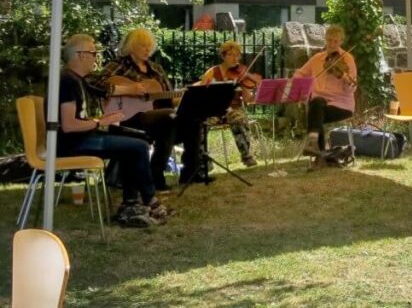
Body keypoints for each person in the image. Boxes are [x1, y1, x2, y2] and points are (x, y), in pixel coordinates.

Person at [55, 34, 170, 227]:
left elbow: (105, 92)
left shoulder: (77, 79)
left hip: (83, 136)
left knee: (136, 139)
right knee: (138, 147)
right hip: (73, 142)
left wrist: (103, 120)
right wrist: (100, 122)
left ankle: (131, 204)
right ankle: (150, 202)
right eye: (93, 53)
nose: (96, 58)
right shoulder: (67, 81)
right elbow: (69, 125)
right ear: (81, 55)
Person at [90, 28, 204, 187]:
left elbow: (169, 98)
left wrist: (187, 97)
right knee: (168, 117)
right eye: (143, 45)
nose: (147, 49)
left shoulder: (156, 69)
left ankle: (190, 173)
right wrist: (129, 90)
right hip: (126, 119)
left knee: (192, 118)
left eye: (149, 46)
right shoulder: (117, 66)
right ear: (131, 47)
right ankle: (155, 173)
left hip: (158, 118)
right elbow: (95, 84)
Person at [293, 24, 357, 157]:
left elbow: (352, 87)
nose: (332, 44)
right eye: (329, 40)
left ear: (341, 41)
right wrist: (298, 84)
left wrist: (343, 76)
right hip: (319, 104)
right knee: (316, 103)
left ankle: (316, 148)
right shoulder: (317, 59)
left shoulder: (347, 59)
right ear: (325, 39)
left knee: (315, 112)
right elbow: (300, 73)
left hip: (341, 105)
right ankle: (318, 150)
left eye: (336, 41)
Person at [198, 41, 260, 167]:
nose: (235, 58)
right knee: (201, 124)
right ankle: (204, 161)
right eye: (231, 54)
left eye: (237, 55)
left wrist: (257, 93)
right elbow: (201, 94)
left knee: (239, 119)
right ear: (223, 56)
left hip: (234, 109)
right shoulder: (212, 72)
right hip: (214, 110)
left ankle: (246, 156)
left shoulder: (241, 74)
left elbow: (248, 99)